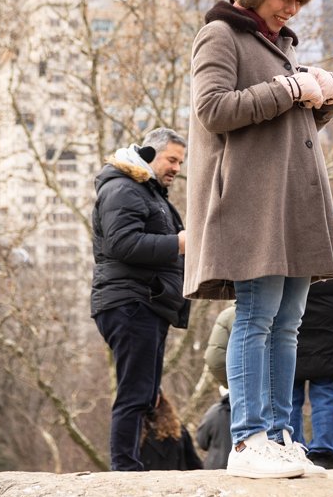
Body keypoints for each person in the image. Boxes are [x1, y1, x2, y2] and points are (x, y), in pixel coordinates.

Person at [182, 0, 333, 480]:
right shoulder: (220, 34)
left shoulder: (279, 43)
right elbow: (213, 109)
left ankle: (279, 436)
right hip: (249, 204)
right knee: (255, 318)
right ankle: (248, 439)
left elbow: (282, 119)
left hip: (291, 205)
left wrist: (322, 98)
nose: (292, 8)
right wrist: (291, 89)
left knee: (289, 323)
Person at [90, 128, 191, 472]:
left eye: (181, 162)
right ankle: (125, 468)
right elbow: (123, 244)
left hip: (147, 302)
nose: (177, 168)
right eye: (172, 159)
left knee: (146, 393)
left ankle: (130, 464)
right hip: (131, 302)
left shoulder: (148, 192)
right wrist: (179, 243)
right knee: (135, 392)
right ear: (149, 154)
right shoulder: (123, 189)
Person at [289, 210, 333, 470]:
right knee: (327, 393)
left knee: (289, 394)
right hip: (330, 320)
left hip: (288, 312)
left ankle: (290, 447)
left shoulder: (277, 209)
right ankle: (327, 451)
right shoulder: (327, 214)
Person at [139, 392, 203, 471]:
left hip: (176, 476)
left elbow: (192, 462)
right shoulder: (133, 430)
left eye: (154, 396)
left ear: (159, 397)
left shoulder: (177, 428)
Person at [195, 390, 231, 470]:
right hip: (247, 467)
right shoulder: (253, 411)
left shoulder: (214, 412)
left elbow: (202, 441)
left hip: (215, 466)